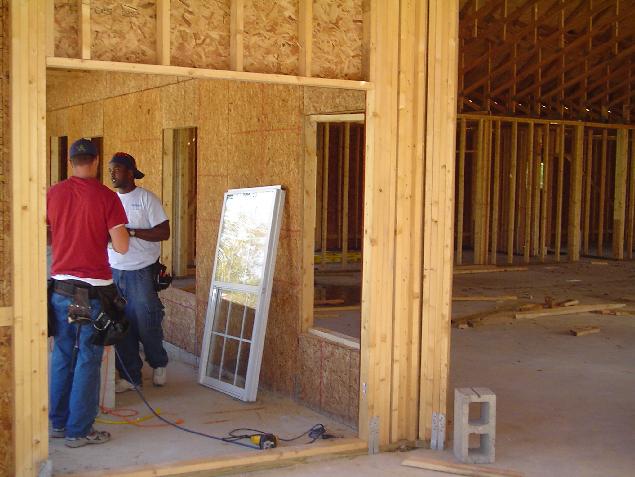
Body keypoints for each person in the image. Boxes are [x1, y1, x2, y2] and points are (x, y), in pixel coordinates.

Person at [48, 138, 129, 448]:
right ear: (95, 161)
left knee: (63, 355)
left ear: (71, 162)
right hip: (93, 293)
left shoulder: (53, 194)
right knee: (88, 359)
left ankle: (57, 424)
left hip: (61, 289)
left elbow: (47, 225)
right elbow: (121, 246)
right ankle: (78, 430)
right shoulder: (107, 198)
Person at [107, 152, 171, 392]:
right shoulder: (109, 200)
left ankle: (158, 362)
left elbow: (164, 232)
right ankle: (130, 376)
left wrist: (132, 232)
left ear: (131, 172)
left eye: (117, 169)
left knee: (146, 321)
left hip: (141, 271)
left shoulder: (146, 199)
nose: (112, 174)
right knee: (120, 324)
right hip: (114, 271)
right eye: (110, 170)